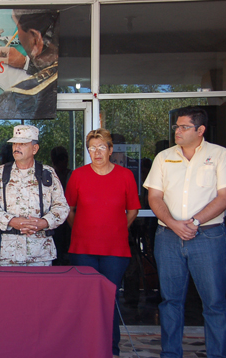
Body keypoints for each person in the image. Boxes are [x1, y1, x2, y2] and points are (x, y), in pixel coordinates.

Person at [144, 106, 226, 358]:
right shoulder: (164, 157)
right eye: (177, 126)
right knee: (170, 302)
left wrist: (194, 222)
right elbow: (154, 196)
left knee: (214, 304)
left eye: (184, 127)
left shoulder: (220, 155)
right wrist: (174, 223)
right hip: (168, 237)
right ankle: (171, 354)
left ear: (200, 130)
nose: (178, 131)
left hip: (208, 237)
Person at [65, 128, 141, 358]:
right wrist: (81, 229)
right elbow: (68, 209)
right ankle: (84, 348)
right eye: (91, 148)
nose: (96, 152)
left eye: (100, 147)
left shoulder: (125, 176)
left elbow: (134, 209)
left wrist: (117, 229)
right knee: (85, 300)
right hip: (82, 249)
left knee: (109, 299)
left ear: (110, 149)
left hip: (114, 251)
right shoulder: (78, 175)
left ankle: (111, 349)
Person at [0, 125, 69, 266]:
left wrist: (44, 223)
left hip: (41, 252)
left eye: (22, 144)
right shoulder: (1, 173)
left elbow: (62, 207)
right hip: (10, 254)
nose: (17, 147)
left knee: (41, 289)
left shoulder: (47, 173)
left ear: (35, 149)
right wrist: (11, 221)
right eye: (15, 143)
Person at [0, 9, 59, 119]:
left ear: (35, 39)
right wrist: (25, 62)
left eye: (17, 28)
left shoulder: (15, 99)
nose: (18, 36)